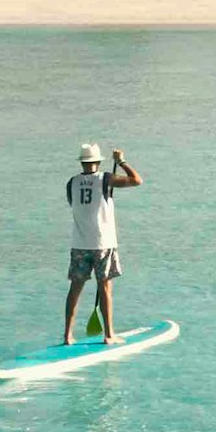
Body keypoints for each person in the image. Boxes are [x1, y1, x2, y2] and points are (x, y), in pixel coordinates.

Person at [60, 141, 142, 344]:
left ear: (82, 163)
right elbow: (137, 180)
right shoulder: (105, 179)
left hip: (79, 244)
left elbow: (77, 205)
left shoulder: (71, 183)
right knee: (105, 288)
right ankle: (109, 335)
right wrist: (121, 161)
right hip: (103, 244)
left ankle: (68, 335)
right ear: (97, 161)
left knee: (75, 288)